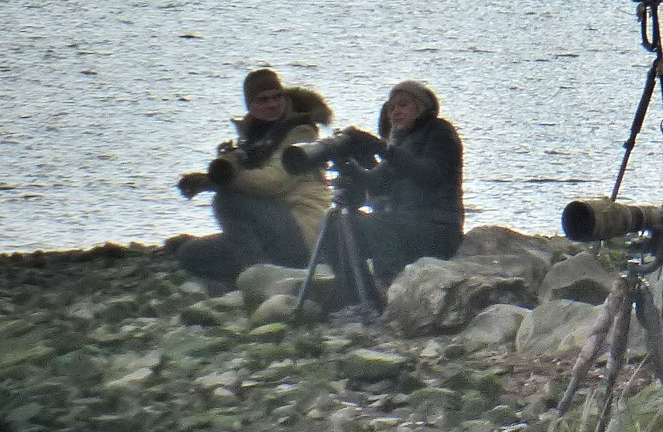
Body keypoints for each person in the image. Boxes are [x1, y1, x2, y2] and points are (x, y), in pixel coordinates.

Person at [174, 68, 333, 286]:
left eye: (277, 97)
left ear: (285, 98)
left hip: (302, 231)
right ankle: (262, 272)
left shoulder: (301, 131)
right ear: (250, 106)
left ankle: (259, 276)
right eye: (263, 100)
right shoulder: (253, 138)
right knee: (190, 254)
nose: (272, 104)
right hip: (272, 232)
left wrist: (216, 181)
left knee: (227, 200)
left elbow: (273, 183)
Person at [351, 80, 465, 276]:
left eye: (403, 105)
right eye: (391, 108)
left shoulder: (439, 130)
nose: (395, 112)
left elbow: (429, 175)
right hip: (405, 224)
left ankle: (390, 284)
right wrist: (353, 168)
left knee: (378, 224)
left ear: (421, 107)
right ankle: (357, 291)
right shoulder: (400, 142)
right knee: (343, 226)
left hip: (437, 227)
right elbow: (377, 185)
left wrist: (384, 149)